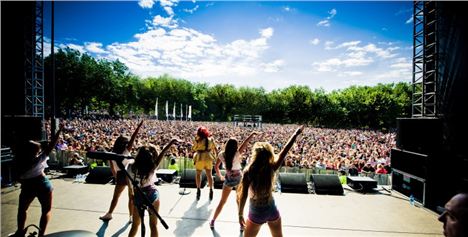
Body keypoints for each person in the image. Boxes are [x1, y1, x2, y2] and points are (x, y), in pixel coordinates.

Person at [238, 125, 304, 236]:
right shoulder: (272, 167)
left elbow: (243, 194)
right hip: (272, 209)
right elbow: (285, 150)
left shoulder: (248, 172)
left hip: (256, 211)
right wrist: (296, 134)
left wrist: (240, 214)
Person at [9, 124, 63, 237]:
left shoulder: (17, 162)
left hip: (27, 186)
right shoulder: (39, 159)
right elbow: (52, 145)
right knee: (46, 210)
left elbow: (16, 177)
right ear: (34, 152)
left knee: (22, 210)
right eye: (37, 151)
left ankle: (20, 232)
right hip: (43, 184)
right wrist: (59, 131)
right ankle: (41, 234)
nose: (39, 153)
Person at [128, 138, 182, 237]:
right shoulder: (152, 166)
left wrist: (131, 195)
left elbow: (130, 185)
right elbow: (163, 152)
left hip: (138, 195)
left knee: (135, 225)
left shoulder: (130, 167)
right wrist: (171, 142)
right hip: (151, 194)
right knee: (153, 225)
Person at [210, 131, 261, 230]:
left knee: (222, 202)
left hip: (228, 178)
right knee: (239, 202)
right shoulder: (237, 153)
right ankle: (241, 224)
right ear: (235, 146)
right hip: (239, 179)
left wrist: (220, 176)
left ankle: (213, 221)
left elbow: (216, 166)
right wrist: (252, 134)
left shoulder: (221, 154)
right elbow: (245, 142)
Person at [100, 120, 143, 222]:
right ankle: (131, 217)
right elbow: (133, 138)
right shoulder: (125, 152)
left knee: (115, 197)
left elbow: (112, 168)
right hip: (129, 175)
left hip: (120, 175)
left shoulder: (112, 154)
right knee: (131, 197)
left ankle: (109, 214)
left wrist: (115, 176)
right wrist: (138, 127)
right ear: (125, 144)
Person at [192, 126, 218, 201]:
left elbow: (194, 148)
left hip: (199, 158)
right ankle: (211, 189)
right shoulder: (211, 140)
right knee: (209, 175)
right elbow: (215, 149)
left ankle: (198, 190)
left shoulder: (197, 140)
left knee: (198, 174)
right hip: (208, 158)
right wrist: (215, 158)